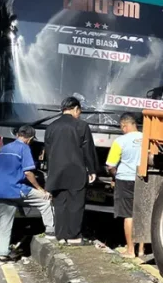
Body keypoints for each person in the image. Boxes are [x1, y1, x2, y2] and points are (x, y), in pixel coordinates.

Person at [0, 125, 54, 264]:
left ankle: (1, 255)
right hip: (15, 189)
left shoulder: (4, 149)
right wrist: (40, 188)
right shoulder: (24, 148)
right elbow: (28, 172)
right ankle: (51, 232)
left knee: (4, 223)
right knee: (45, 200)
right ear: (29, 139)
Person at [44, 96, 98, 244]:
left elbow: (48, 153)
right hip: (76, 171)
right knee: (76, 204)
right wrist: (92, 170)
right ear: (75, 109)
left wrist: (51, 172)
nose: (79, 114)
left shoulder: (51, 127)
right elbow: (88, 150)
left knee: (60, 204)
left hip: (56, 173)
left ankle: (61, 235)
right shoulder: (81, 126)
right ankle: (73, 236)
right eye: (79, 111)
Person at [105, 113, 142, 258]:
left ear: (124, 125)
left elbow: (110, 165)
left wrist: (114, 175)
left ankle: (130, 250)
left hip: (125, 179)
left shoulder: (120, 141)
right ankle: (141, 250)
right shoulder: (147, 138)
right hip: (143, 179)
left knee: (128, 215)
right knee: (142, 213)